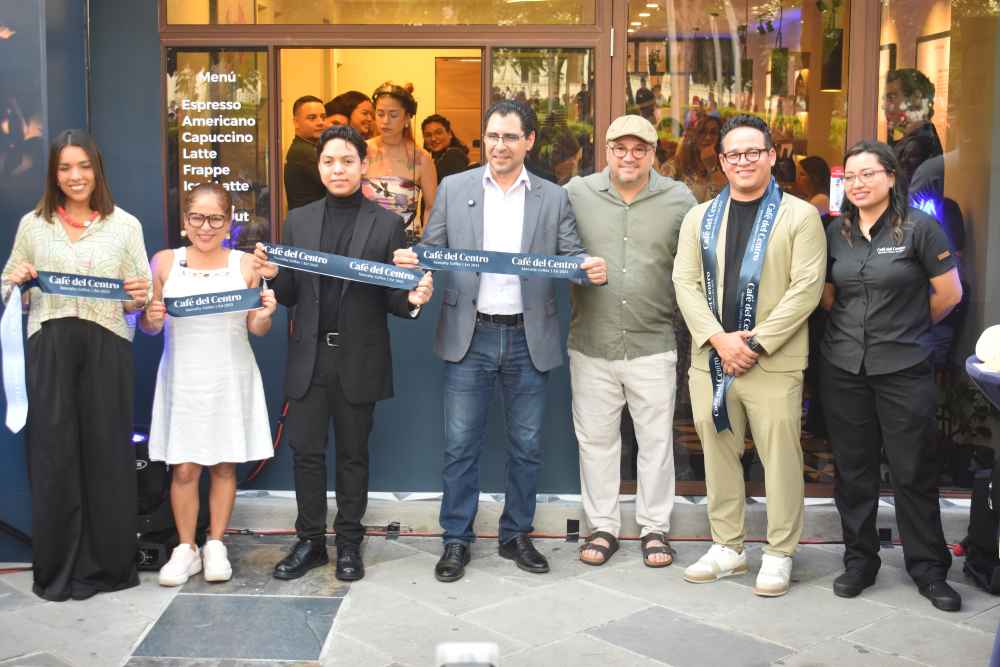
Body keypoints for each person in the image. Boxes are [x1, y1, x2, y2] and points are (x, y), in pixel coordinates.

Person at [393, 100, 608, 583]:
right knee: (459, 445)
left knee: (527, 446)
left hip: (527, 338)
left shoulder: (553, 197)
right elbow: (434, 246)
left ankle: (515, 535)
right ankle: (456, 539)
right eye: (492, 136)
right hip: (470, 335)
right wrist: (414, 258)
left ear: (529, 142)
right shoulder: (455, 187)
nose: (499, 145)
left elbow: (571, 256)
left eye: (510, 137)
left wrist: (588, 269)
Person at [253, 125, 433, 582]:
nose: (338, 169)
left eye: (347, 161)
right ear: (319, 168)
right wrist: (274, 275)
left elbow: (392, 297)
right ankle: (310, 542)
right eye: (330, 161)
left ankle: (349, 543)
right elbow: (291, 293)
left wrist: (412, 300)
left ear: (363, 165)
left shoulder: (388, 223)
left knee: (354, 455)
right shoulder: (299, 220)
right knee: (306, 454)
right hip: (309, 358)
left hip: (358, 357)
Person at [672, 114, 826, 597]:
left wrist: (754, 343)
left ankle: (780, 552)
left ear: (772, 155)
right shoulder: (699, 217)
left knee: (780, 457)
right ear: (721, 161)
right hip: (713, 361)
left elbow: (807, 289)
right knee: (717, 453)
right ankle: (729, 547)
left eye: (752, 152)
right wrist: (720, 340)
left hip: (772, 362)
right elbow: (685, 282)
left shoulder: (799, 216)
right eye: (733, 154)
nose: (743, 161)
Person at [1, 129, 151, 601]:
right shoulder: (33, 225)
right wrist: (16, 282)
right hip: (50, 348)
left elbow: (142, 299)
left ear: (96, 169)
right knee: (54, 458)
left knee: (108, 455)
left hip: (107, 347)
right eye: (65, 168)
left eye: (83, 166)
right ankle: (58, 569)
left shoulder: (125, 225)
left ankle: (109, 566)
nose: (75, 176)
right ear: (54, 174)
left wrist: (139, 298)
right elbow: (6, 288)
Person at [819, 140, 963, 611]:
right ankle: (860, 560)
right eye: (851, 177)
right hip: (844, 367)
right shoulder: (834, 233)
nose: (858, 184)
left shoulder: (920, 228)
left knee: (913, 470)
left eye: (868, 174)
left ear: (890, 177)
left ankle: (928, 568)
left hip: (903, 367)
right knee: (854, 470)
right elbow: (826, 296)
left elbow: (949, 294)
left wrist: (907, 327)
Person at [566, 114, 696, 568]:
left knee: (656, 441)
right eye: (620, 147)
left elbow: (699, 262)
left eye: (639, 148)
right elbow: (555, 249)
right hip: (591, 341)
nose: (629, 156)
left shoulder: (679, 198)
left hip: (653, 340)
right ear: (606, 150)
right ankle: (602, 526)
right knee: (596, 441)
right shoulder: (577, 194)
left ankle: (654, 528)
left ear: (653, 153)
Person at [141, 182, 277, 587]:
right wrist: (150, 315)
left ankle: (216, 542)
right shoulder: (165, 262)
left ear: (228, 222)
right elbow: (150, 328)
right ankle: (187, 549)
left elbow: (257, 327)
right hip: (183, 376)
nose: (205, 226)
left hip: (229, 374)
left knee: (223, 463)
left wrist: (267, 311)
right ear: (185, 221)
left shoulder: (245, 265)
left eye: (215, 218)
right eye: (197, 217)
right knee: (183, 467)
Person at [363, 83, 437, 242]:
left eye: (393, 115)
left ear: (407, 118)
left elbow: (431, 207)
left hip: (406, 243)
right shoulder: (361, 151)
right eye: (380, 114)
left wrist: (426, 243)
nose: (385, 121)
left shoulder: (421, 158)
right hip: (366, 240)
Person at [883, 68, 943, 190]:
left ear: (915, 98)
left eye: (892, 97)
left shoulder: (919, 145)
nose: (884, 106)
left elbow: (898, 197)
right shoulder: (920, 140)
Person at [284, 95, 327, 211]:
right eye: (312, 118)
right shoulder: (303, 152)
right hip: (309, 224)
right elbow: (336, 184)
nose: (320, 123)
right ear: (296, 122)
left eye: (323, 117)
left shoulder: (311, 148)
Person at [671, 115, 726, 203]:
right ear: (695, 136)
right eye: (702, 132)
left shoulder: (727, 166)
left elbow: (726, 199)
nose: (708, 137)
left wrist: (712, 167)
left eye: (713, 133)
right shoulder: (679, 164)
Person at [421, 114, 471, 183]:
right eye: (428, 135)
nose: (433, 138)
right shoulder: (436, 159)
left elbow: (453, 189)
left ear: (450, 134)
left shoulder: (453, 156)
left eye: (438, 133)